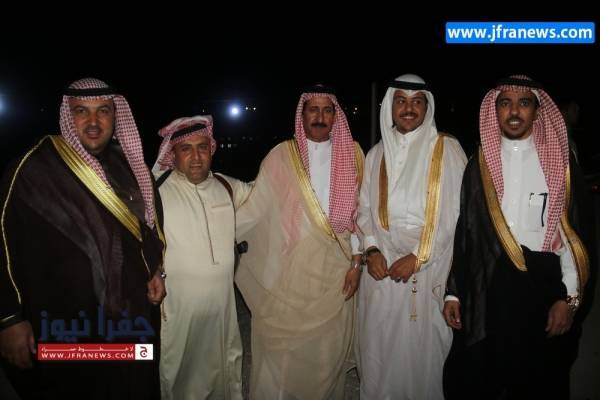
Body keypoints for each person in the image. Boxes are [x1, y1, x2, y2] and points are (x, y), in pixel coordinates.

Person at [0, 78, 166, 399]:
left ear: (115, 115)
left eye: (103, 111)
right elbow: (3, 244)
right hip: (64, 324)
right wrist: (9, 319)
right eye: (81, 111)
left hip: (130, 320)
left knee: (135, 387)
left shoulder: (130, 165)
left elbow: (147, 227)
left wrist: (155, 269)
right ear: (67, 114)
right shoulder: (32, 169)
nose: (93, 122)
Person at [443, 75, 592, 399]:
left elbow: (573, 237)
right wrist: (453, 293)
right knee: (484, 379)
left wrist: (569, 299)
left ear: (538, 111)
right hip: (490, 291)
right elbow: (466, 232)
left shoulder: (561, 163)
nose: (513, 111)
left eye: (523, 103)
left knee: (541, 381)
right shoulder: (479, 165)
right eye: (505, 103)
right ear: (494, 110)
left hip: (542, 289)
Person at [234, 85, 364, 399]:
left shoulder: (353, 154)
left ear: (336, 116)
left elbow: (363, 213)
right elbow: (255, 207)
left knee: (328, 352)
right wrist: (215, 231)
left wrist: (357, 263)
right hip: (290, 270)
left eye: (327, 110)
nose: (320, 117)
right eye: (313, 110)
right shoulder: (282, 156)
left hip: (338, 270)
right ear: (301, 115)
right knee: (284, 351)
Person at [355, 74, 467, 399]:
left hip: (428, 271)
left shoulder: (446, 149)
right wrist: (371, 250)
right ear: (390, 107)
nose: (408, 108)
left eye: (417, 101)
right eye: (401, 101)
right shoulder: (376, 154)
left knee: (422, 357)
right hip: (382, 271)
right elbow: (364, 210)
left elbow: (455, 216)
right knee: (377, 350)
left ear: (427, 107)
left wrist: (418, 257)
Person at [152, 115, 251, 400]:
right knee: (179, 374)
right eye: (186, 149)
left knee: (224, 368)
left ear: (212, 150)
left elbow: (264, 194)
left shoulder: (225, 186)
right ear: (173, 154)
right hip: (179, 311)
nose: (196, 157)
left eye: (202, 148)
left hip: (222, 308)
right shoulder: (155, 190)